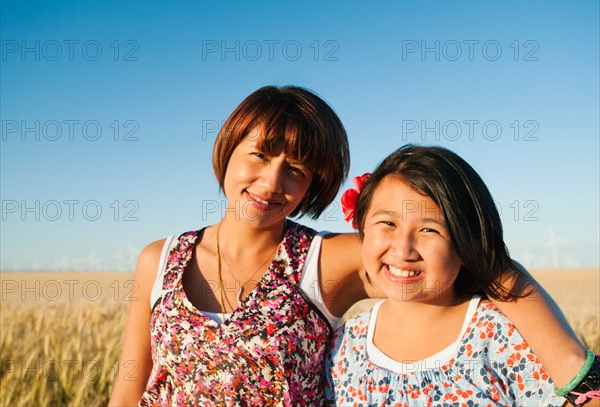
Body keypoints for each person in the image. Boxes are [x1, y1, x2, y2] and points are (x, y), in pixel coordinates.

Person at [108, 86, 590, 407]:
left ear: (312, 184)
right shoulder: (161, 259)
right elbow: (131, 382)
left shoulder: (323, 261)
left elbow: (471, 265)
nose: (272, 182)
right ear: (228, 148)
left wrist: (578, 374)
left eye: (295, 169)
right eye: (259, 154)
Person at [325, 145, 600, 406]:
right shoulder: (344, 344)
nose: (403, 249)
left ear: (467, 244)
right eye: (388, 223)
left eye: (429, 230)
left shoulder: (501, 337)